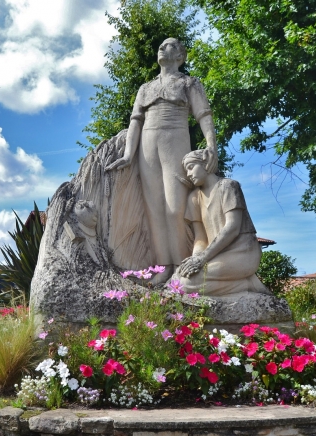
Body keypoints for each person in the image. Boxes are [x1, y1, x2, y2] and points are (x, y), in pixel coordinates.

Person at [106, 38, 218, 284]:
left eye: (170, 45)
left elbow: (203, 114)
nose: (162, 48)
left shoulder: (189, 83)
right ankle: (163, 267)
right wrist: (127, 154)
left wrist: (211, 144)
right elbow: (135, 121)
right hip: (148, 147)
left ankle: (181, 265)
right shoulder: (145, 88)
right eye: (161, 45)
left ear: (180, 56)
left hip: (175, 142)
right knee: (154, 209)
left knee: (174, 208)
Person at [177, 149, 270, 297]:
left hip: (242, 252)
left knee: (187, 284)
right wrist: (195, 260)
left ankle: (247, 284)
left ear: (206, 164)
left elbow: (232, 227)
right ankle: (242, 283)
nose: (188, 174)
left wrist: (202, 259)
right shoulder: (194, 198)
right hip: (215, 255)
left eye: (191, 167)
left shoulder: (228, 186)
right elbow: (200, 238)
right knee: (178, 278)